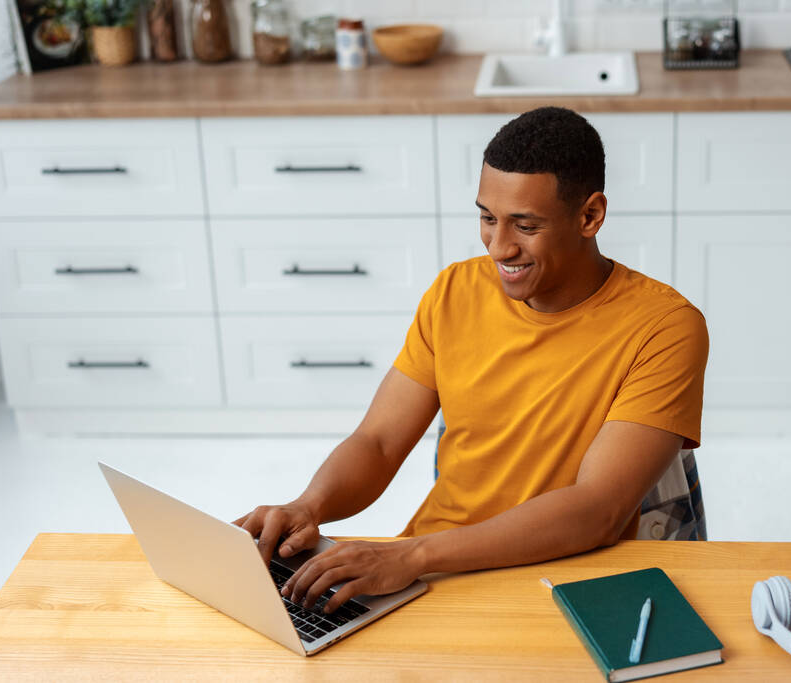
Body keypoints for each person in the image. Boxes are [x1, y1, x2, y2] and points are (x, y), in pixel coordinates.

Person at [233, 106, 708, 614]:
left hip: (560, 580)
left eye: (525, 225)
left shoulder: (664, 327)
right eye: (487, 217)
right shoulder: (455, 291)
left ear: (590, 216)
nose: (499, 247)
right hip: (429, 573)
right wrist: (309, 506)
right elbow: (378, 441)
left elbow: (598, 509)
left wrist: (412, 554)